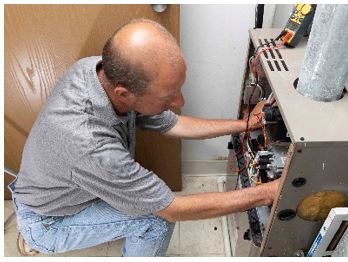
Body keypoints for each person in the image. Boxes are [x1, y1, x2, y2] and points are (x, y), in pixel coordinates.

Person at [9, 19, 282, 257]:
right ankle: (37, 239)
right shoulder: (91, 145)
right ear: (124, 93)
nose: (180, 101)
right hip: (47, 222)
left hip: (58, 187)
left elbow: (173, 124)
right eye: (168, 97)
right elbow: (171, 209)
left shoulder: (94, 71)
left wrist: (246, 124)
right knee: (154, 221)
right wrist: (267, 193)